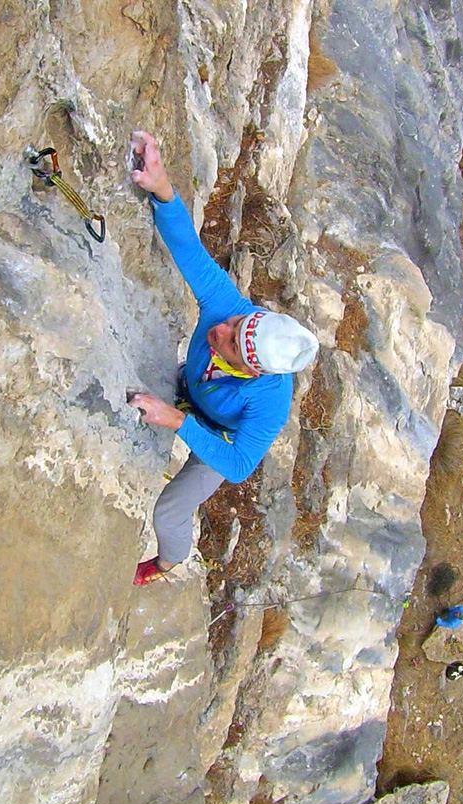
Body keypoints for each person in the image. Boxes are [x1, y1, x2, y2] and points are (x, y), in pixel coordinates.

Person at [128, 132, 319, 585]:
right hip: (190, 387)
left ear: (252, 368)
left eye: (230, 342)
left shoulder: (267, 403)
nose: (220, 329)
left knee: (171, 507)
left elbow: (236, 467)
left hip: (215, 428)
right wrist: (163, 189)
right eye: (235, 325)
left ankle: (168, 562)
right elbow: (191, 253)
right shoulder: (229, 310)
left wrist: (179, 423)